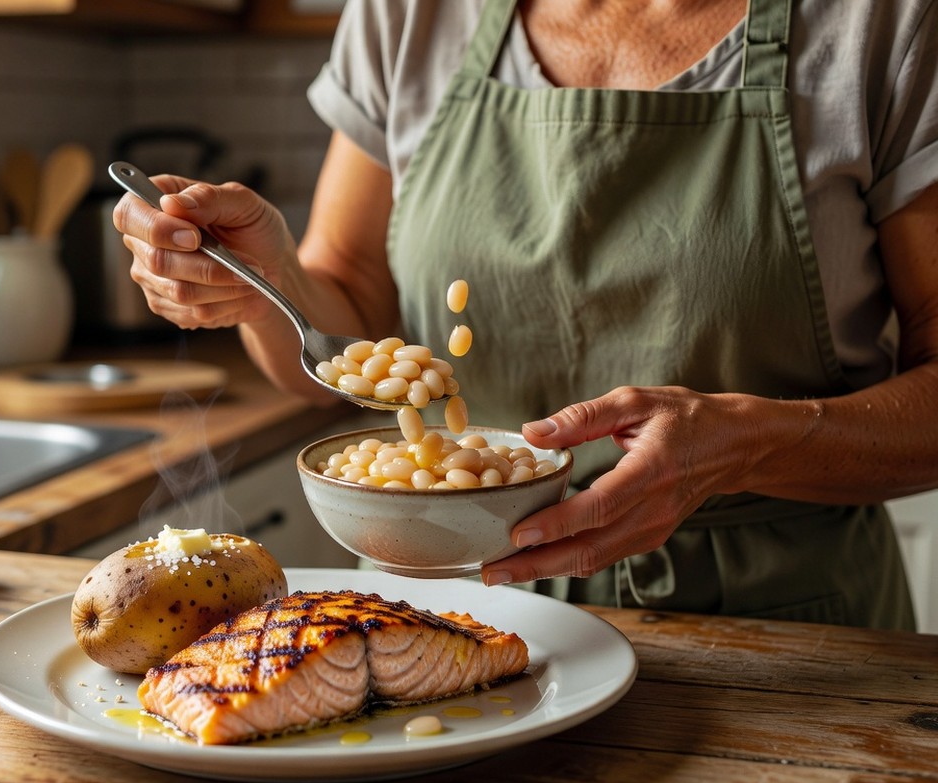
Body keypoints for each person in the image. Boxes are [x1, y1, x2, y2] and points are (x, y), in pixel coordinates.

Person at [113, 0, 938, 630]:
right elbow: (351, 308)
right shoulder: (410, 15)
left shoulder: (886, 21)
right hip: (455, 614)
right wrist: (268, 285)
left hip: (786, 625)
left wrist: (743, 444)